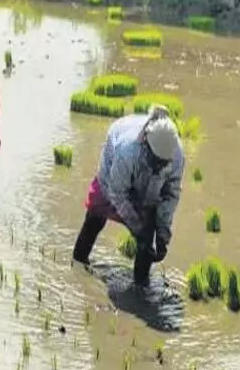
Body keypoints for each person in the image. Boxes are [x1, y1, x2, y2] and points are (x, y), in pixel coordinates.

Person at [71, 106, 184, 288]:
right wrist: (136, 227)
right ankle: (78, 263)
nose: (159, 166)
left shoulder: (177, 155)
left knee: (149, 234)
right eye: (156, 161)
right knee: (95, 216)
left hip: (147, 184)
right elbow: (117, 193)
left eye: (163, 163)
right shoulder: (127, 150)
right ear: (145, 142)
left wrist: (163, 235)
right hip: (113, 173)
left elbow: (171, 194)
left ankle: (140, 286)